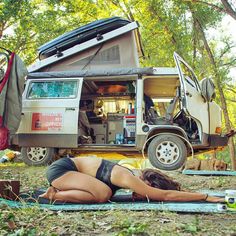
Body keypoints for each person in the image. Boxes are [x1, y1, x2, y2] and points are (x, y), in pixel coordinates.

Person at [40, 157, 223, 203]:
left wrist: (189, 194)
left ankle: (56, 192)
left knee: (106, 192)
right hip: (61, 170)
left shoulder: (126, 177)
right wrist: (204, 197)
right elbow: (166, 195)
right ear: (148, 184)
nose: (144, 195)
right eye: (148, 194)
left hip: (67, 173)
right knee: (104, 194)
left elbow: (167, 191)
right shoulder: (129, 177)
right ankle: (54, 194)